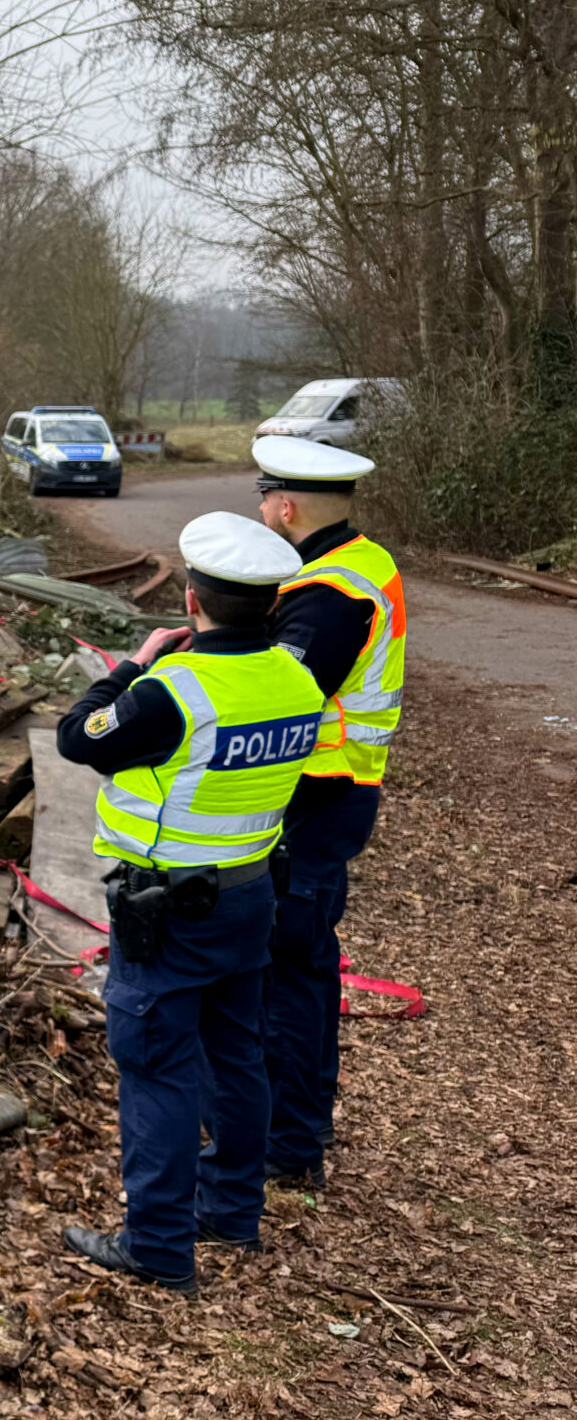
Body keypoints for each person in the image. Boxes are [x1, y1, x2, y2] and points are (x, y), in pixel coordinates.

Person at [56, 513, 324, 1297]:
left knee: (157, 1069)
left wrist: (131, 665)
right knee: (237, 1053)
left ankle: (160, 1245)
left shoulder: (172, 692)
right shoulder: (298, 680)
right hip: (250, 894)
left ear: (191, 597)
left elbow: (80, 738)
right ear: (270, 604)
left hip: (170, 910)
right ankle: (234, 1212)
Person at [250, 438, 404, 1189]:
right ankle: (303, 1123)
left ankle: (288, 1143)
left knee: (288, 967)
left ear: (285, 507)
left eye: (264, 503)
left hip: (318, 791)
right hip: (341, 788)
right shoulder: (364, 562)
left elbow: (285, 691)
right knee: (307, 965)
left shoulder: (328, 592)